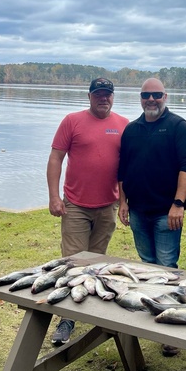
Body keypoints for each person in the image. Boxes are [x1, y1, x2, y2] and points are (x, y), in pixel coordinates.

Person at [46, 77, 129, 345]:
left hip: (107, 207)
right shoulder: (72, 121)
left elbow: (124, 170)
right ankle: (67, 319)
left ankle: (91, 308)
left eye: (107, 94)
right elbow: (56, 158)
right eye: (98, 94)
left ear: (113, 97)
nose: (103, 98)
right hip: (76, 206)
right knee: (73, 263)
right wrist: (54, 196)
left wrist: (123, 202)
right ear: (89, 96)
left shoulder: (123, 125)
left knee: (96, 262)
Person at [118, 78, 186, 269]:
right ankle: (150, 298)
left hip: (166, 213)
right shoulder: (131, 129)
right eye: (146, 95)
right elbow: (123, 169)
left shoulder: (178, 126)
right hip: (137, 211)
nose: (151, 99)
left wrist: (178, 204)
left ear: (165, 97)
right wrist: (122, 202)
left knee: (166, 265)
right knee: (146, 264)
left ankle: (167, 299)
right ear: (141, 98)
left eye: (157, 95)